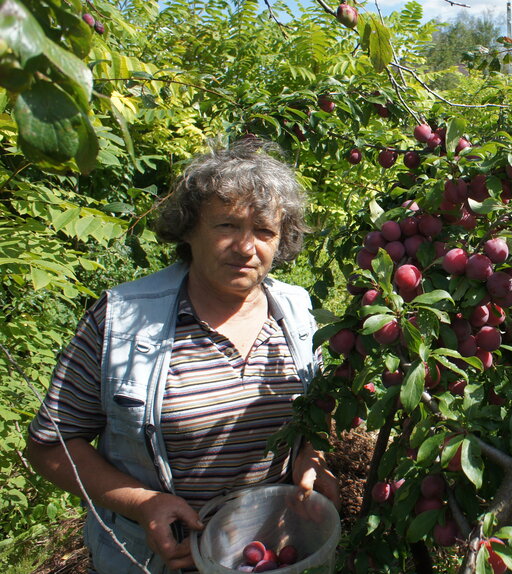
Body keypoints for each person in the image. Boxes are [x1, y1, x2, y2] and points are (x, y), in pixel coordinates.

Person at [25, 139, 339, 573]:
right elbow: (50, 446)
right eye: (227, 225)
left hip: (267, 552)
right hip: (156, 560)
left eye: (265, 231)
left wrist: (310, 459)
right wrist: (141, 503)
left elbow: (314, 415)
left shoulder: (300, 313)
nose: (247, 247)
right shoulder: (124, 319)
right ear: (189, 228)